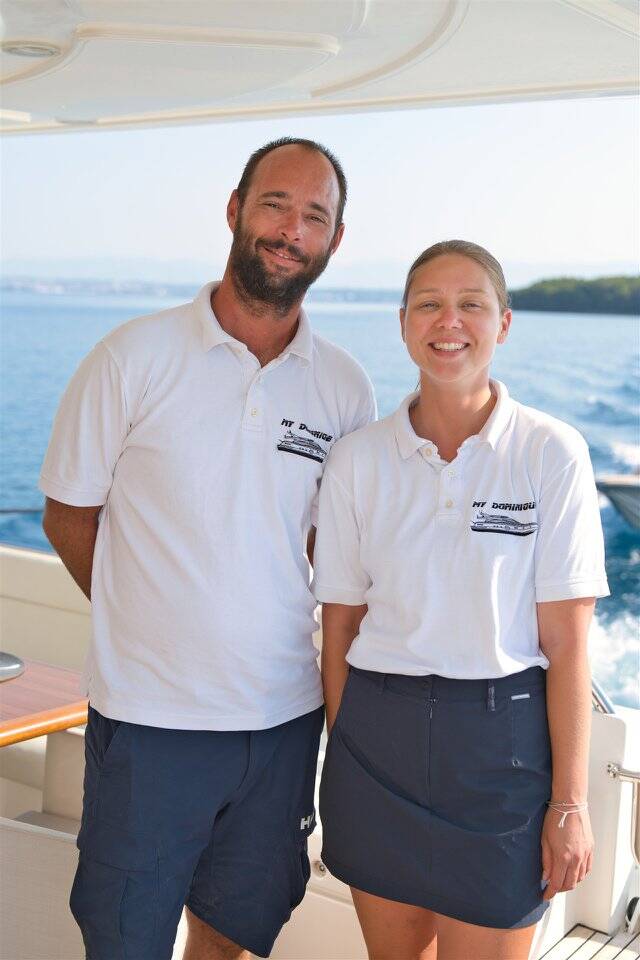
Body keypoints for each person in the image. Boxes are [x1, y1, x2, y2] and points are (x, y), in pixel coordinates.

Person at [39, 137, 376, 960]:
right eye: (274, 205)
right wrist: (148, 617)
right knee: (125, 942)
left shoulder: (344, 387)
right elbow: (68, 515)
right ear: (234, 210)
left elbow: (332, 550)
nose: (290, 230)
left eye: (314, 216)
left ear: (334, 240)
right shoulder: (131, 358)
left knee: (232, 938)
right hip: (151, 722)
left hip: (283, 719)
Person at [313, 240, 609, 960]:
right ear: (405, 322)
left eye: (471, 304)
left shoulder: (550, 452)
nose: (451, 321)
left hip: (501, 753)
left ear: (503, 323)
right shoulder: (357, 458)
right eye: (430, 304)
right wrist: (348, 745)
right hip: (376, 741)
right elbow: (341, 624)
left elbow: (567, 644)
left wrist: (570, 805)